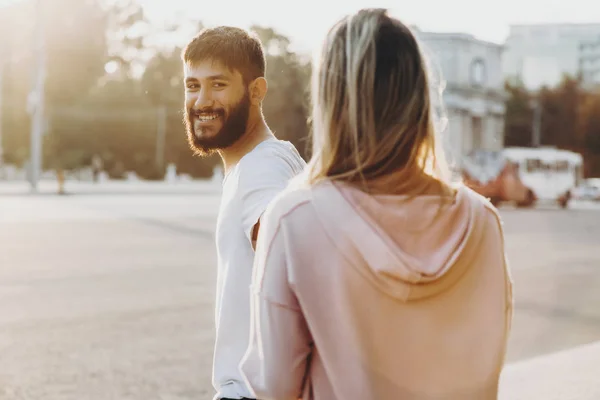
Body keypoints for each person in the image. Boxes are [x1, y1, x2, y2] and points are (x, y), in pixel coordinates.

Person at [240, 9, 514, 400]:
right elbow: (487, 369)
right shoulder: (483, 221)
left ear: (332, 102)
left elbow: (274, 384)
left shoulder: (294, 218)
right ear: (418, 98)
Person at [181, 26, 306, 400]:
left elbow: (292, 256)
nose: (202, 100)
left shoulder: (260, 168)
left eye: (218, 85)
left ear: (256, 91)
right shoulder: (266, 161)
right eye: (192, 85)